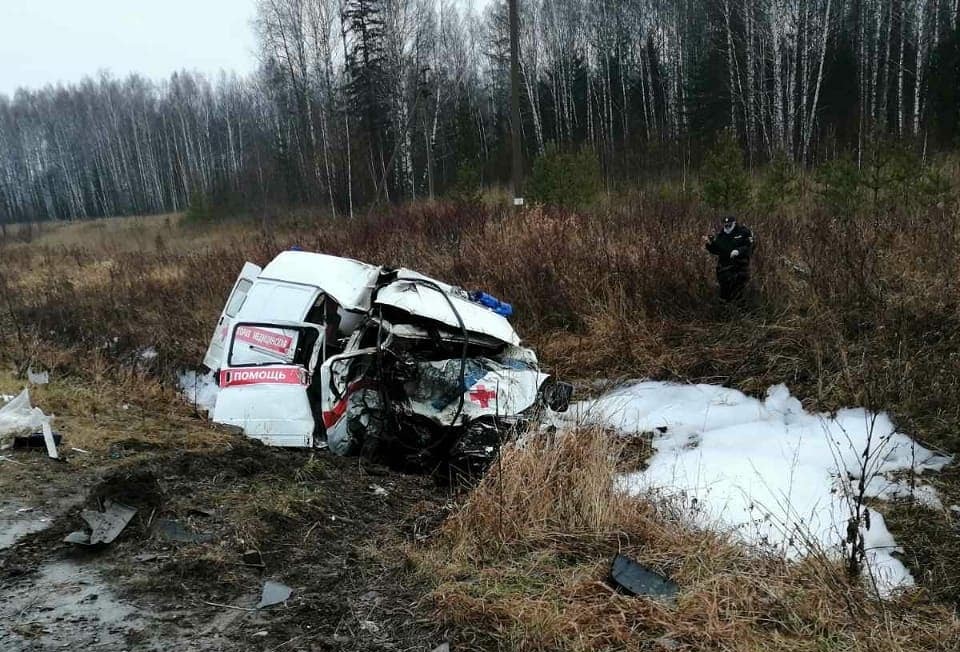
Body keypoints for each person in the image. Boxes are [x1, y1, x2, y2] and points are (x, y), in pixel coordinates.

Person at [705, 215, 754, 301]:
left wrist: (738, 251)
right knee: (725, 293)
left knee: (738, 292)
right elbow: (718, 251)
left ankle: (740, 306)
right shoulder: (721, 235)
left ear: (734, 223)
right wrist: (709, 245)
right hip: (724, 268)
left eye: (729, 225)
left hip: (740, 267)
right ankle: (725, 306)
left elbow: (750, 246)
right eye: (725, 225)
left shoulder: (743, 232)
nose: (727, 227)